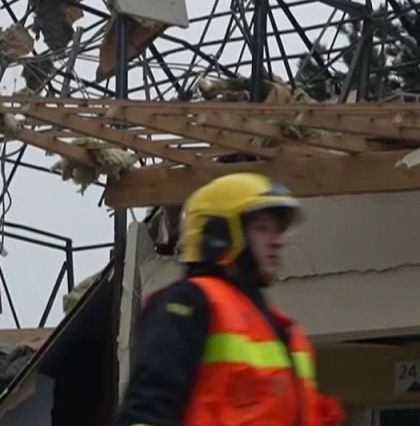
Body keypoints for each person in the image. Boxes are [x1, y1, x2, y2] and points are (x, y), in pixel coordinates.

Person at [114, 172, 343, 426]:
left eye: (277, 230)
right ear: (220, 233)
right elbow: (148, 410)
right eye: (262, 228)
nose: (277, 242)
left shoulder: (280, 327)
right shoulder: (189, 303)